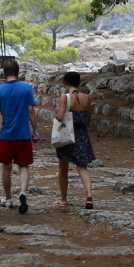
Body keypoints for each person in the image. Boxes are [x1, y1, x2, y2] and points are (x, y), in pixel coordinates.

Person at [0, 59, 39, 214]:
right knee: (23, 166)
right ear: (18, 72)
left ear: (4, 73)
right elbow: (31, 111)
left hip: (6, 135)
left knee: (6, 167)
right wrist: (35, 130)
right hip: (23, 134)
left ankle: (8, 197)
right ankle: (23, 192)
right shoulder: (26, 88)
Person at [55, 71, 96, 209]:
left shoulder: (65, 97)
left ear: (65, 82)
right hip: (81, 134)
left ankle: (64, 198)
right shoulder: (86, 97)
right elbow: (89, 115)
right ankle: (89, 194)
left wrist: (57, 111)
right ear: (79, 83)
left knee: (63, 167)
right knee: (82, 167)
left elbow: (61, 117)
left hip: (67, 135)